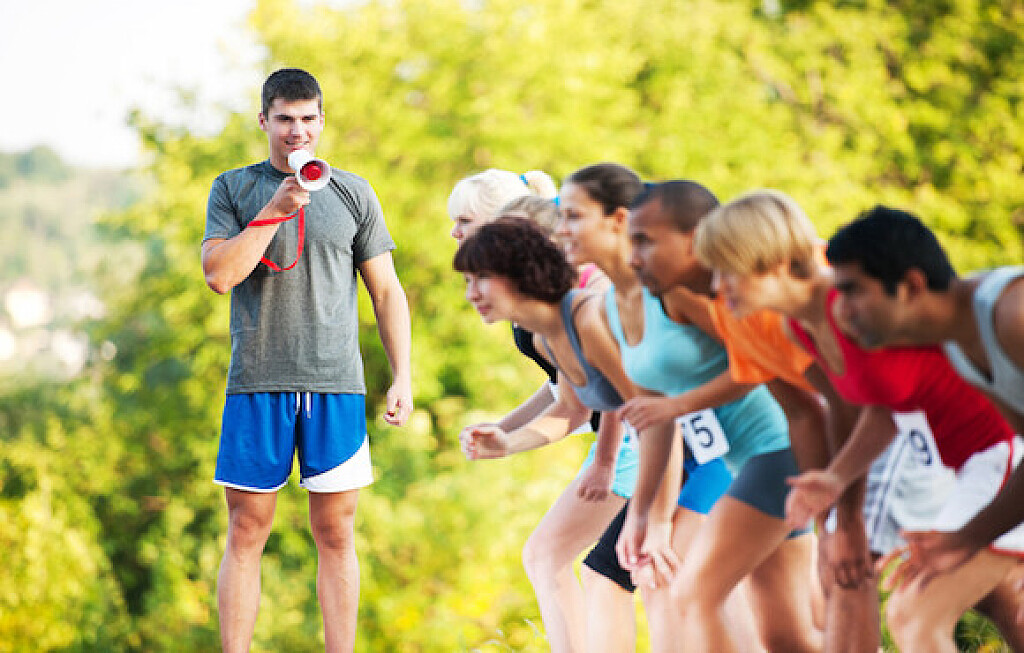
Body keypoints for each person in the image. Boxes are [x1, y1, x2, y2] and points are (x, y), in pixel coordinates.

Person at [694, 190, 1024, 651]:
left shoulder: (993, 311)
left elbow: (882, 410)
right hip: (961, 459)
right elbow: (864, 410)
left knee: (911, 611)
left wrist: (847, 510)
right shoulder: (805, 327)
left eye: (727, 269)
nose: (716, 285)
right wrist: (835, 480)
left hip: (987, 453)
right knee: (941, 603)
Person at [201, 68, 412, 653]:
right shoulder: (234, 189)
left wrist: (403, 376)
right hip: (257, 383)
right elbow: (220, 276)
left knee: (337, 533)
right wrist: (276, 208)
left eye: (308, 119)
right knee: (246, 530)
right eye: (286, 119)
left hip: (336, 385)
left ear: (322, 120)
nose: (298, 131)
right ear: (264, 120)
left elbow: (387, 292)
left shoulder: (354, 193)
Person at [614, 181, 821, 653]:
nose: (634, 257)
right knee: (786, 635)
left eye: (644, 241)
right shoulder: (722, 304)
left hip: (773, 456)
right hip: (768, 458)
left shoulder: (729, 301)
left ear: (693, 240)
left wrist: (676, 405)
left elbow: (817, 397)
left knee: (694, 595)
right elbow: (799, 399)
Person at [447, 173, 635, 653]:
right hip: (639, 443)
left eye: (479, 278)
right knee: (575, 564)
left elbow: (627, 398)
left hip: (663, 442)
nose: (471, 294)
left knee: (612, 576)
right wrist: (506, 439)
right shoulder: (547, 333)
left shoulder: (588, 309)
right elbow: (570, 406)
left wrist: (606, 463)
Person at [821, 206, 1024, 583]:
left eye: (852, 291)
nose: (841, 310)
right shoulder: (959, 344)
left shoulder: (1013, 313)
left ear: (911, 285)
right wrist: (963, 541)